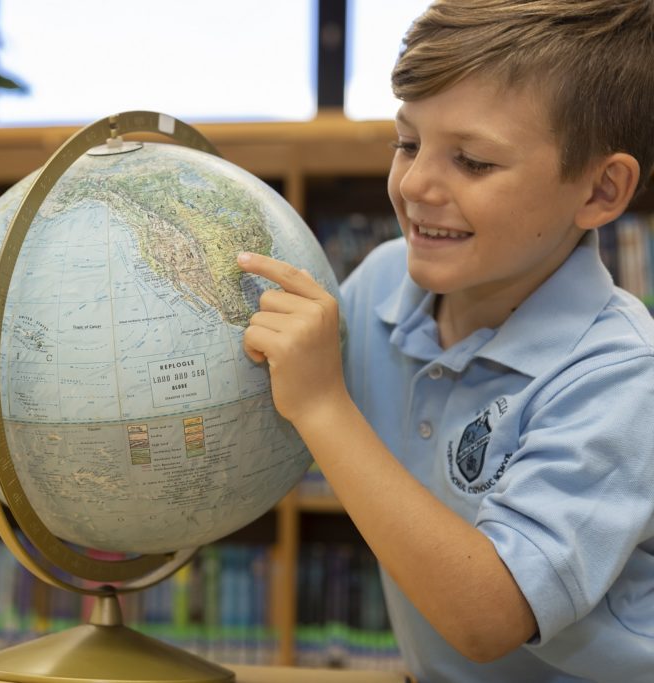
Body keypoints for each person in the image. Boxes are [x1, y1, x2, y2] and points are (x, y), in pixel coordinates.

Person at [237, 1, 654, 681]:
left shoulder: (623, 377)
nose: (415, 184)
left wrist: (321, 403)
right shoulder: (377, 286)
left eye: (473, 161)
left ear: (601, 189)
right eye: (408, 143)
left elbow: (488, 617)